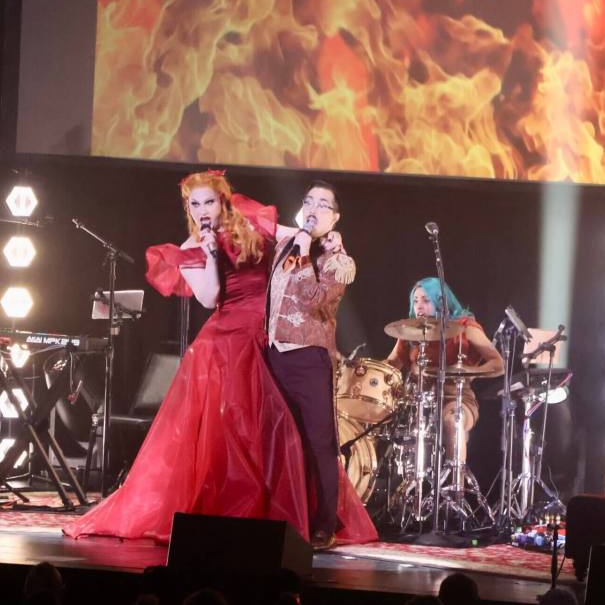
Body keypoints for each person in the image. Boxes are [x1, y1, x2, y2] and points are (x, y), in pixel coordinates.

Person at [63, 170, 375, 545]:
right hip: (230, 342)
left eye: (209, 201)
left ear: (223, 202)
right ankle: (241, 516)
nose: (202, 210)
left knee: (286, 436)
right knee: (236, 434)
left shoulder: (252, 226)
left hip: (274, 338)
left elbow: (298, 241)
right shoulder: (190, 246)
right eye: (194, 204)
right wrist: (210, 253)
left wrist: (331, 239)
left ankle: (306, 520)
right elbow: (210, 298)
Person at [265, 181, 377, 550]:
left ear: (336, 217)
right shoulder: (287, 243)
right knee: (280, 440)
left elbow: (314, 301)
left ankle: (325, 523)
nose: (313, 207)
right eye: (308, 200)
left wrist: (303, 250)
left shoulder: (339, 262)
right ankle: (283, 515)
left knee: (319, 442)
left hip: (309, 359)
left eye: (323, 204)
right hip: (273, 354)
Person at [385, 278, 503, 465]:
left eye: (425, 300)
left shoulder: (465, 328)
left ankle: (455, 488)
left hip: (456, 397)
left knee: (452, 421)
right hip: (417, 403)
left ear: (441, 301)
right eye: (415, 301)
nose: (419, 306)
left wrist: (468, 371)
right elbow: (389, 365)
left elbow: (498, 364)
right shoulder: (410, 333)